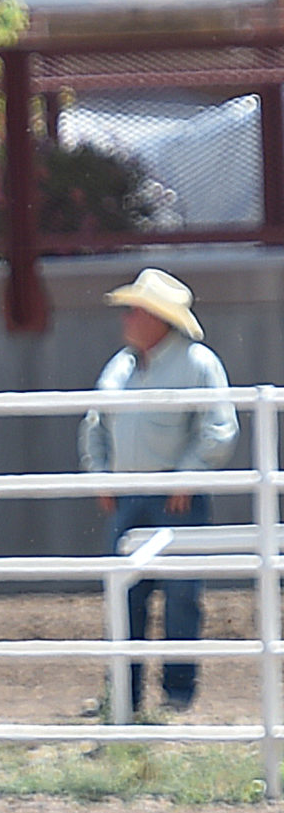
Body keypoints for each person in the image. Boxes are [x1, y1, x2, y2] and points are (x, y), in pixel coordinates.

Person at [79, 268, 239, 713]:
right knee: (124, 596)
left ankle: (177, 694)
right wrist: (101, 473)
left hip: (175, 499)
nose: (126, 318)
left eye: (134, 310)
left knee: (181, 596)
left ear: (156, 317)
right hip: (130, 494)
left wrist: (185, 475)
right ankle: (124, 696)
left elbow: (219, 429)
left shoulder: (197, 363)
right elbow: (94, 422)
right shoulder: (123, 365)